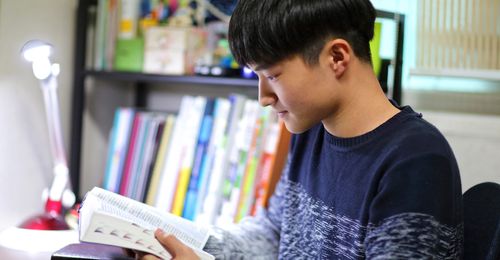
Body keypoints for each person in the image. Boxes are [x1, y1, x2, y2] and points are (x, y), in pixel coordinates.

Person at [135, 0, 463, 258]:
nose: (263, 98)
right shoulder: (311, 129)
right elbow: (274, 234)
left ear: (337, 57)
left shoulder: (416, 161)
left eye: (273, 76)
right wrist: (185, 245)